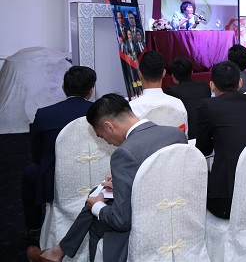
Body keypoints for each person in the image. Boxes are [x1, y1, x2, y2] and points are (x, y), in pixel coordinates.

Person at [27, 94, 187, 262]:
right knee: (100, 193)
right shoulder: (176, 134)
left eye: (101, 136)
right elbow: (165, 175)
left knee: (95, 208)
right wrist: (123, 183)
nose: (107, 143)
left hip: (144, 223)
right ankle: (57, 252)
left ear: (109, 126)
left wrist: (97, 207)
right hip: (172, 212)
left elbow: (121, 221)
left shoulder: (124, 152)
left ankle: (59, 253)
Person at [22, 66, 97, 246]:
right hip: (97, 174)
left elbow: (37, 155)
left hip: (55, 178)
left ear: (63, 87)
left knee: (29, 173)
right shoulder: (100, 112)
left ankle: (34, 228)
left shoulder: (44, 114)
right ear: (91, 90)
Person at [195, 61, 246, 219]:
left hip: (227, 200)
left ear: (212, 85)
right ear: (240, 83)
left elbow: (203, 149)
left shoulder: (208, 106)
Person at [129, 51, 188, 134]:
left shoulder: (132, 108)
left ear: (140, 74)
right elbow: (183, 137)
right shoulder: (178, 104)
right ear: (163, 73)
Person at [164, 57, 211, 139]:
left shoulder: (171, 90)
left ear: (173, 76)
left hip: (187, 135)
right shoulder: (205, 86)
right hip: (208, 133)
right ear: (191, 72)